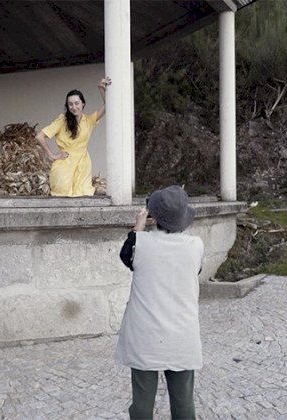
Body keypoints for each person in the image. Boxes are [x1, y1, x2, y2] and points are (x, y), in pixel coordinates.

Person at [116, 185, 204, 420]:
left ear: (154, 216)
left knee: (142, 403)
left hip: (146, 334)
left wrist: (139, 225)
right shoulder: (195, 246)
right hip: (182, 334)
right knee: (183, 401)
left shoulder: (140, 244)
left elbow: (126, 255)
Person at [35, 77, 112, 197]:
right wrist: (53, 155)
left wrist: (101, 88)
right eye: (70, 104)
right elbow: (40, 137)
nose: (74, 107)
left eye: (77, 103)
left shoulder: (89, 121)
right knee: (63, 197)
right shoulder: (62, 120)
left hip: (83, 166)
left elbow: (108, 106)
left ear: (83, 104)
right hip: (64, 167)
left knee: (85, 196)